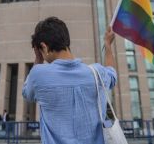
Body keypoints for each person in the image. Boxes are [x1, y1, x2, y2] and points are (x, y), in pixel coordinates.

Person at [22, 16, 117, 144]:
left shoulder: (38, 75)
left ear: (43, 47)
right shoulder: (97, 72)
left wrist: (38, 60)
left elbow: (27, 93)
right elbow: (112, 74)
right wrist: (108, 45)